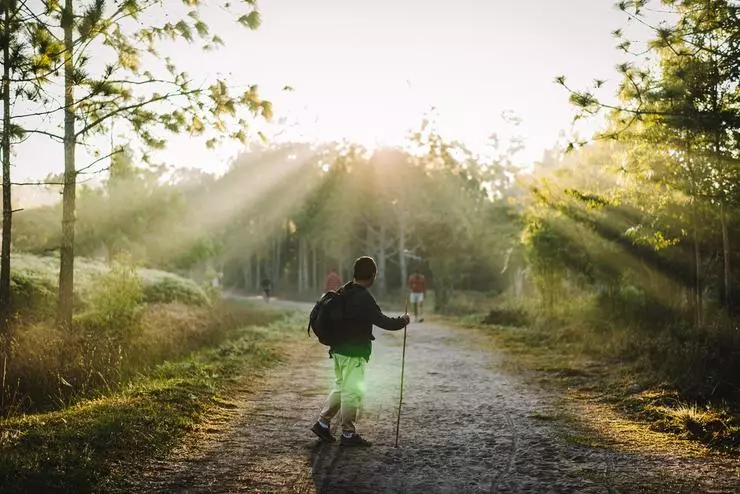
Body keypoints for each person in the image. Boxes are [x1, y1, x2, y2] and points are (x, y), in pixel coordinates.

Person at [311, 256, 410, 447]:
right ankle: (348, 434)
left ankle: (323, 423)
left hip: (338, 350)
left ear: (355, 273)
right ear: (372, 276)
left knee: (341, 387)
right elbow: (384, 321)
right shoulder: (364, 297)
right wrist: (403, 320)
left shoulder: (344, 290)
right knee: (352, 392)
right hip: (353, 353)